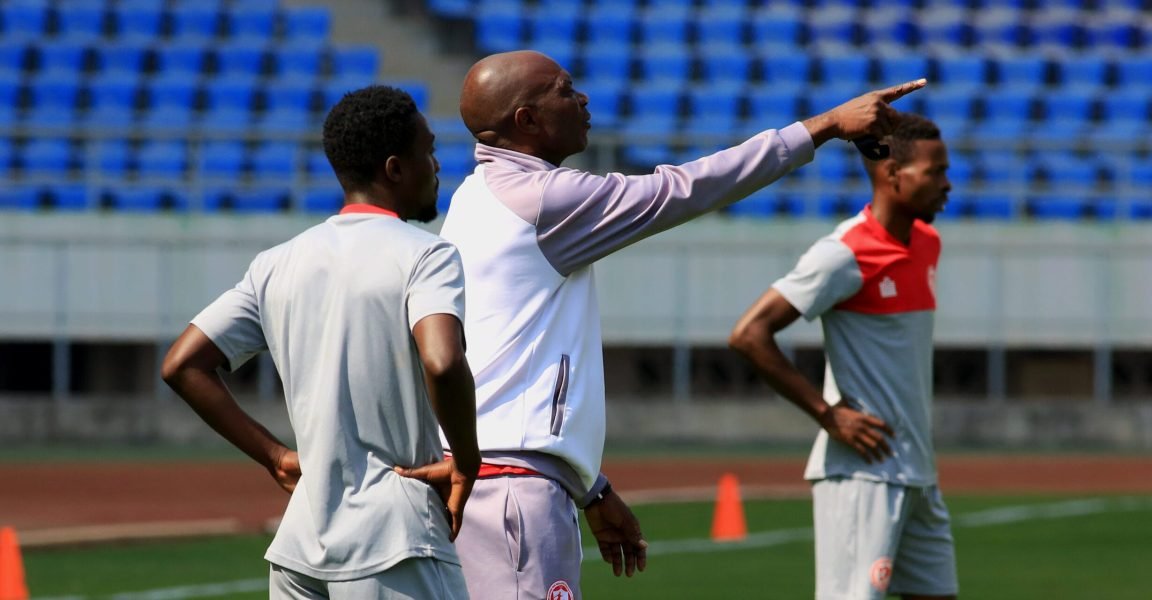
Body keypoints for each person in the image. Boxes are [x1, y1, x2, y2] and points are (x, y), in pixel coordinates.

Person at [398, 49, 924, 599]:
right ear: (526, 121)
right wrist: (824, 126)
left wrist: (592, 491)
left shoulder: (474, 196)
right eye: (563, 89)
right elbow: (683, 188)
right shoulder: (545, 199)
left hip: (487, 478)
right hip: (514, 493)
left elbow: (502, 375)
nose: (581, 99)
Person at [160, 86, 481, 599]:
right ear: (396, 168)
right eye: (430, 152)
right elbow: (442, 362)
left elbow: (181, 365)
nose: (438, 166)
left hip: (301, 543)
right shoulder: (428, 256)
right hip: (392, 537)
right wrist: (467, 461)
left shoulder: (277, 263)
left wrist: (274, 456)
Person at [729, 112, 956, 600]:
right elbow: (750, 334)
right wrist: (830, 416)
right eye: (935, 172)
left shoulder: (928, 243)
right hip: (863, 474)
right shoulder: (844, 253)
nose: (947, 184)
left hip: (917, 470)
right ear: (893, 175)